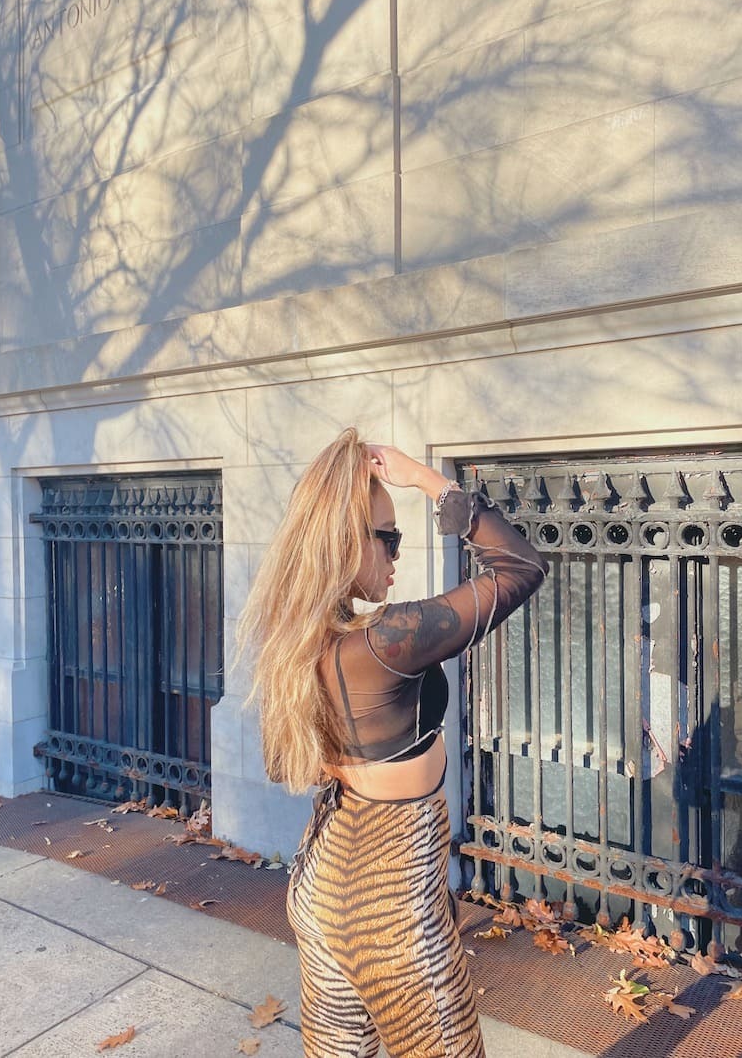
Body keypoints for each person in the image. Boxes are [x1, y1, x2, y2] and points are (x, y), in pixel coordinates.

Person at [237, 429, 548, 1057]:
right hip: (390, 900)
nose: (396, 554)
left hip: (322, 882)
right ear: (344, 540)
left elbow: (292, 762)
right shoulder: (384, 641)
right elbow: (522, 567)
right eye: (389, 537)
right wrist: (429, 480)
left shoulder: (298, 640)